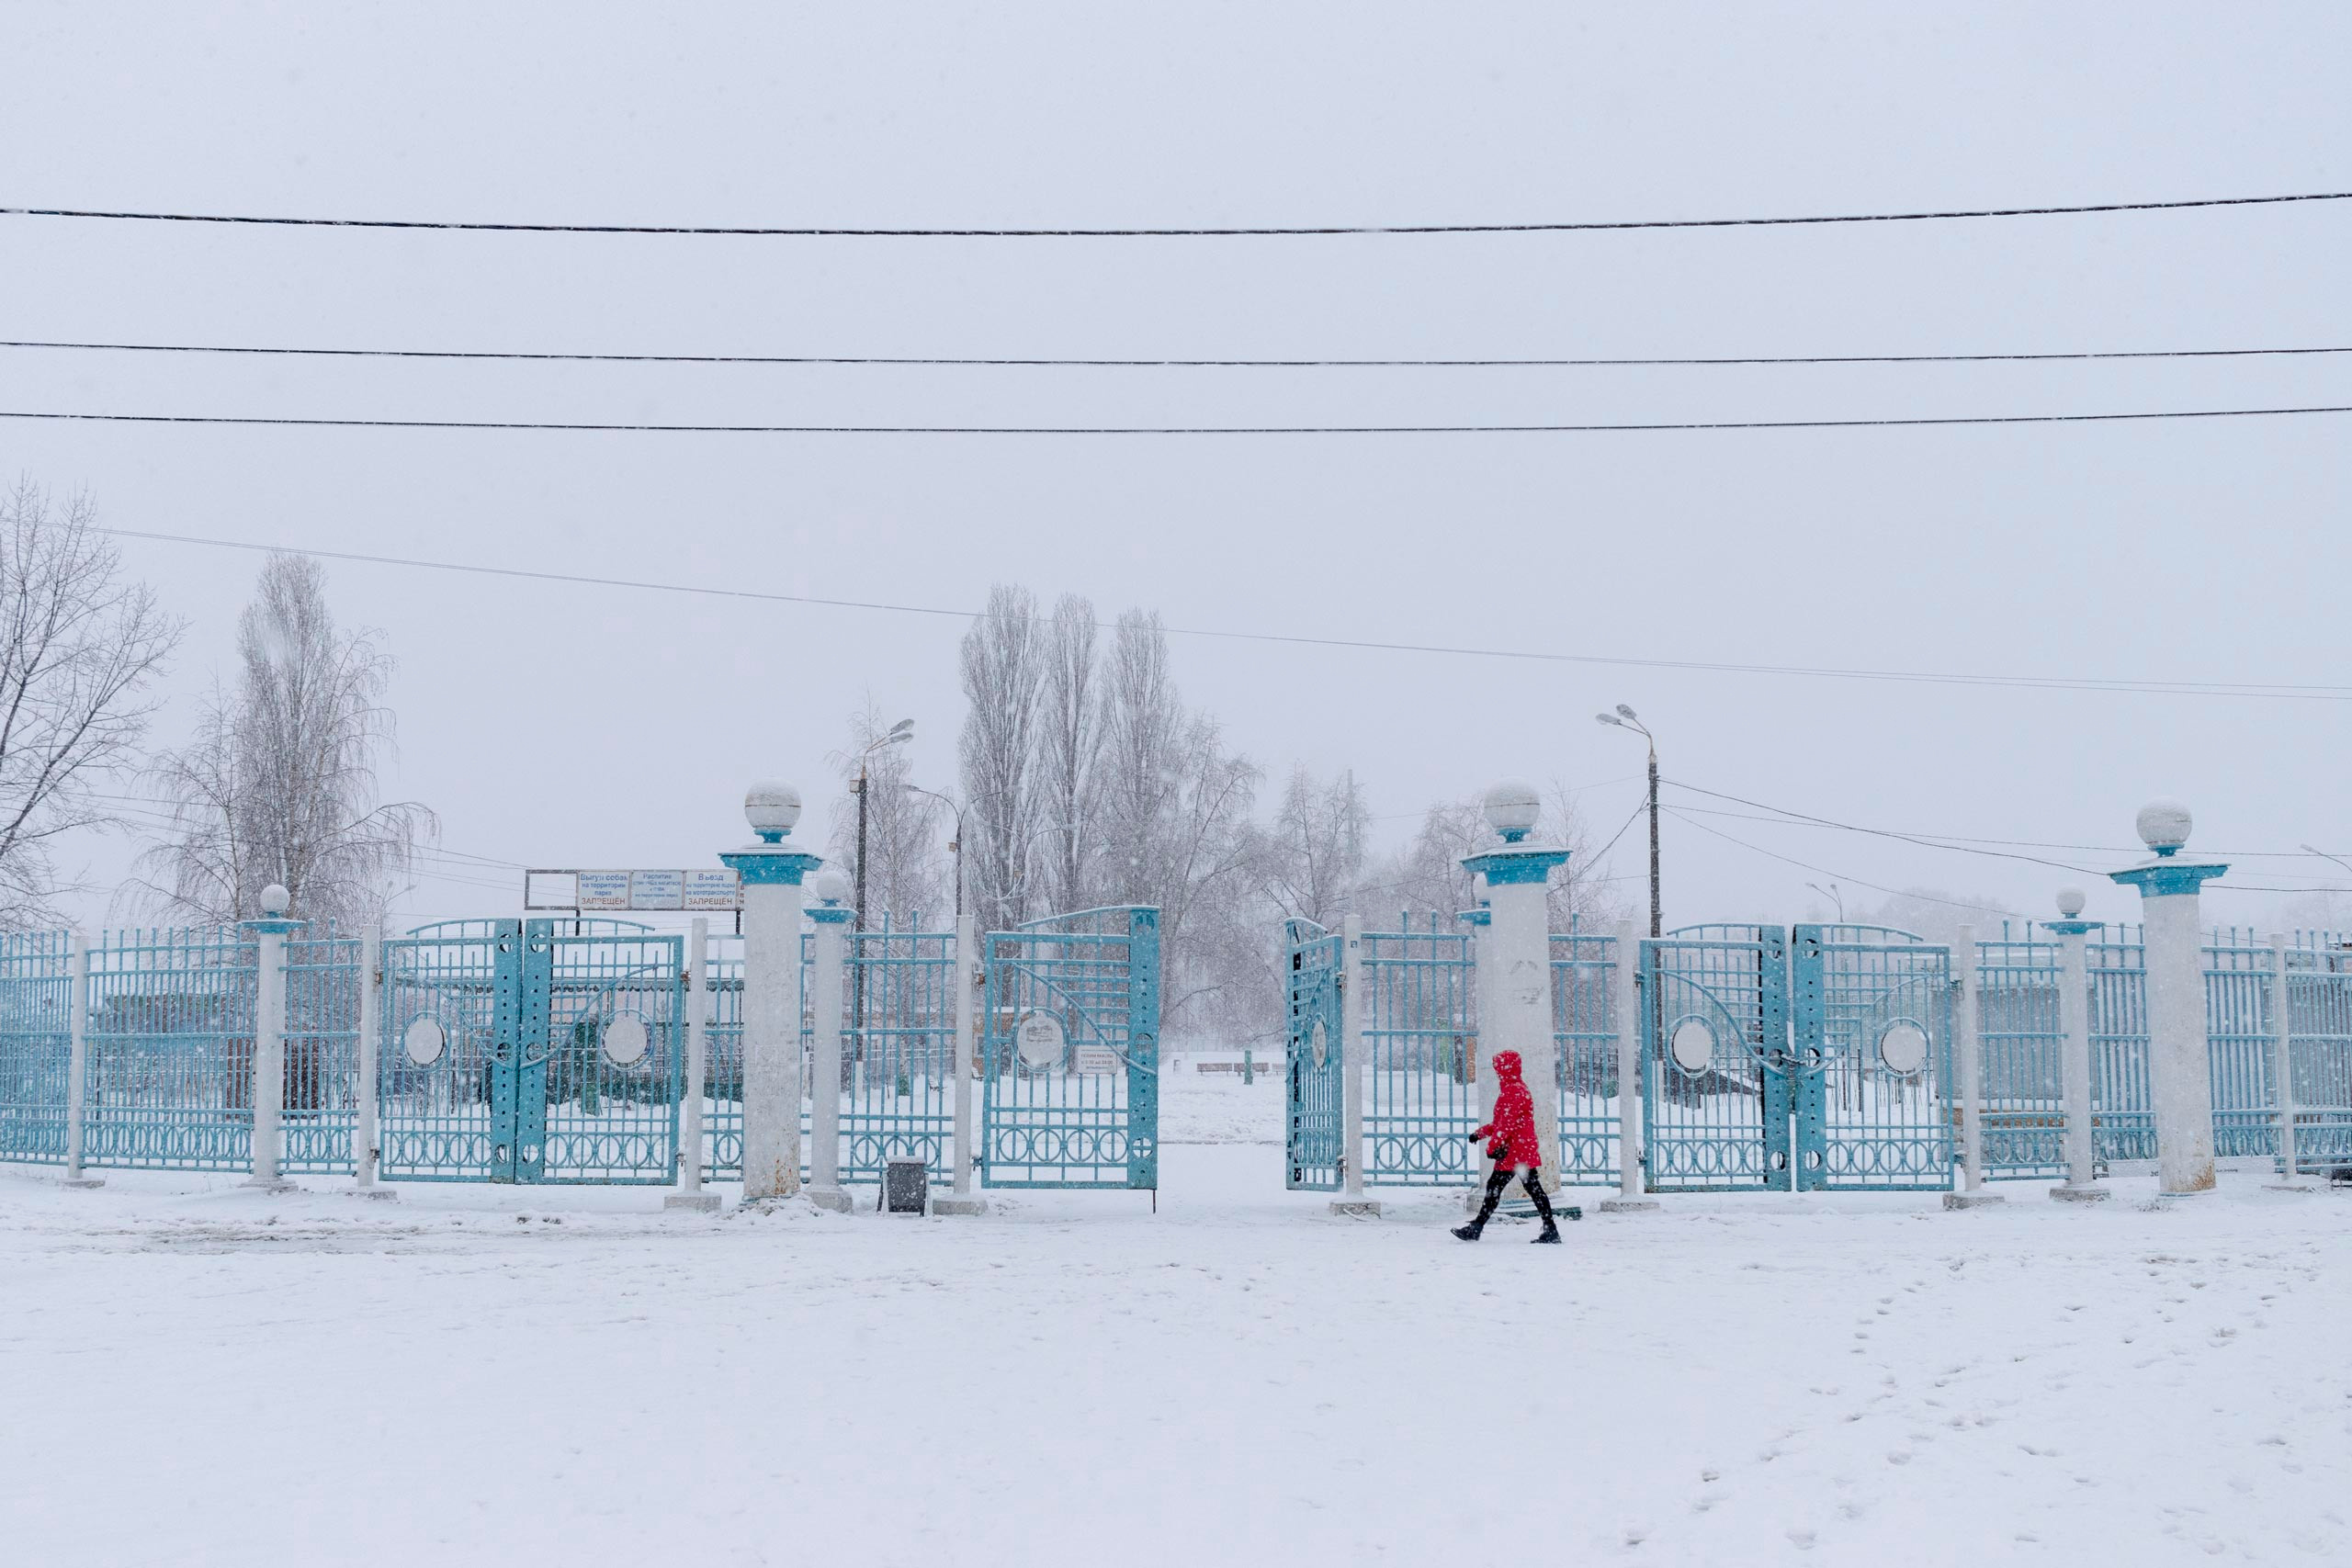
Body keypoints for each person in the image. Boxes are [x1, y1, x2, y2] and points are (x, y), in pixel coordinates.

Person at [1453, 1049, 1561, 1243]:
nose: (1497, 1071)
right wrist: (1481, 1133)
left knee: (1496, 1189)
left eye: (1499, 1067)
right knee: (1532, 1190)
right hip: (1520, 1149)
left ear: (1506, 1069)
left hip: (1515, 1151)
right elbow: (1503, 1122)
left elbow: (1507, 1125)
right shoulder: (1516, 1088)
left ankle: (1476, 1229)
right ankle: (1550, 1229)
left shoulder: (1513, 1091)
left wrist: (1492, 1147)